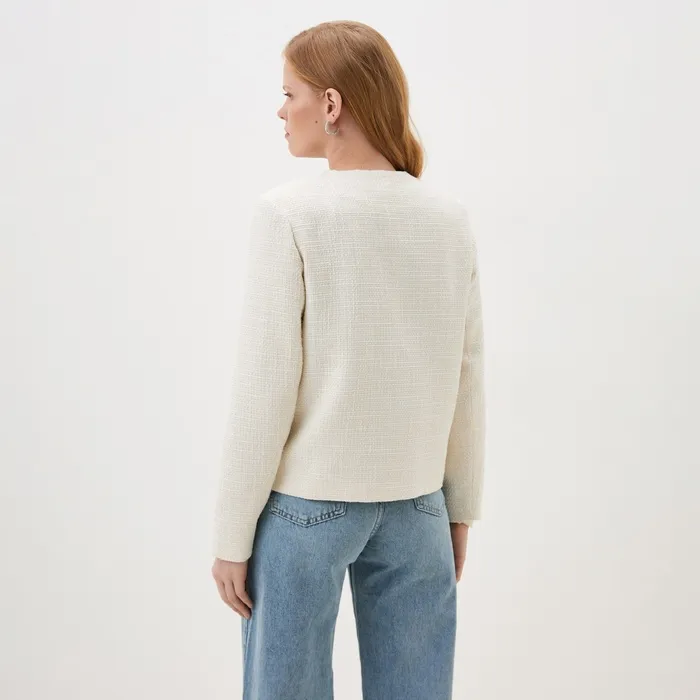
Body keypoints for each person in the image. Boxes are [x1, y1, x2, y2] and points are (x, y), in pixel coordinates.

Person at [211, 19, 485, 700]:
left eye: (290, 94)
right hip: (419, 505)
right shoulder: (447, 218)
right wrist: (459, 508)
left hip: (308, 507)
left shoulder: (290, 214)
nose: (281, 111)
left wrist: (231, 536)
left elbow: (265, 387)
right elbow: (466, 374)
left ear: (331, 104)